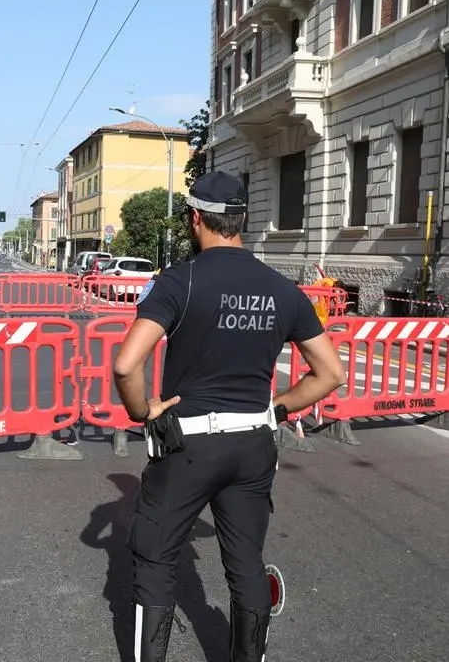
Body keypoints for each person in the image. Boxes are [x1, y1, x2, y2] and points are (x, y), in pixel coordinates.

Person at [112, 171, 346, 661]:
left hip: (188, 447)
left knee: (155, 560)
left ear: (196, 218)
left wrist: (143, 410)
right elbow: (330, 373)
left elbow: (126, 363)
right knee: (245, 565)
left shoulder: (181, 280)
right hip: (253, 444)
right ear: (241, 220)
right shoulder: (283, 290)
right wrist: (276, 409)